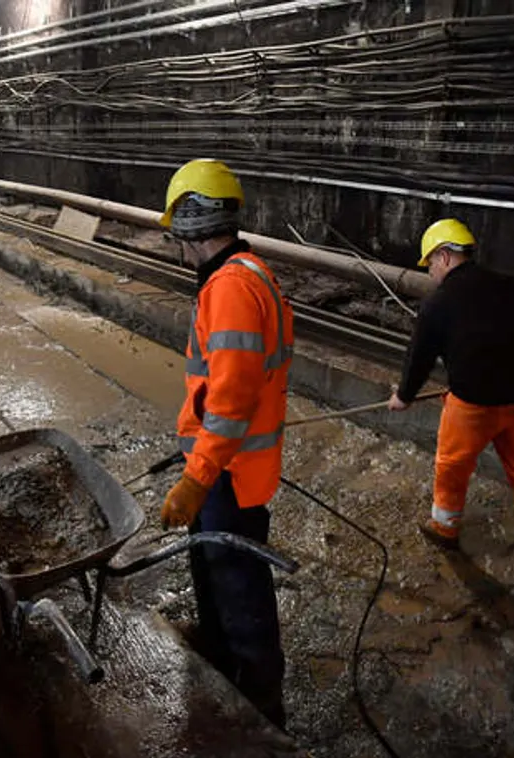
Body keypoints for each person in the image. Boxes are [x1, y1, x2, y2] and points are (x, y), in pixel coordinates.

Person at [158, 159, 295, 727]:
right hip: (228, 466)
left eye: (177, 232)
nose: (178, 247)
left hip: (229, 473)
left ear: (193, 223)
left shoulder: (232, 288)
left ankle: (261, 704)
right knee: (212, 564)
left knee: (238, 582)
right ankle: (217, 654)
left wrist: (197, 477)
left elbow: (232, 403)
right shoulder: (245, 273)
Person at [388, 219, 514, 575]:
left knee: (452, 467)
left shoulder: (439, 303)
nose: (431, 274)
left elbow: (419, 356)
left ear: (444, 257)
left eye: (430, 266)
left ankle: (445, 529)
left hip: (474, 405)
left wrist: (404, 396)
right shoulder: (511, 287)